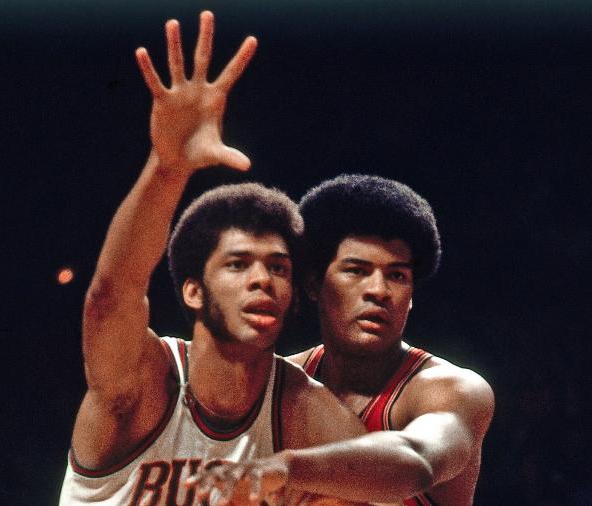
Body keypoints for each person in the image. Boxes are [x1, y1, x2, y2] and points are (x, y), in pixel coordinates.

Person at [59, 12, 431, 505]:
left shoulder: (300, 411)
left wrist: (293, 473)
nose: (263, 280)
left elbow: (407, 475)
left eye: (278, 267)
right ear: (193, 290)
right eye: (238, 264)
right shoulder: (146, 381)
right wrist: (167, 168)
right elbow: (113, 293)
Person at [286, 175, 496, 505]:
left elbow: (415, 463)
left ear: (411, 297)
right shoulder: (281, 382)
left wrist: (282, 467)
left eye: (397, 275)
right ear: (313, 284)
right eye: (356, 270)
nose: (380, 291)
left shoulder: (452, 390)